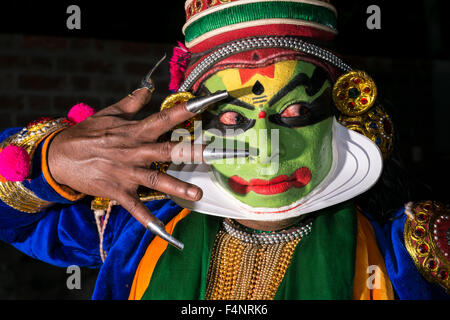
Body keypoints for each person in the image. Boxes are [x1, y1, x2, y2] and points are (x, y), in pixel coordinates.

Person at [0, 0, 448, 300]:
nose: (267, 154)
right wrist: (49, 162)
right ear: (192, 128)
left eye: (293, 112)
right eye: (232, 120)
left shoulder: (410, 253)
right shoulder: (134, 224)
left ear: (343, 114)